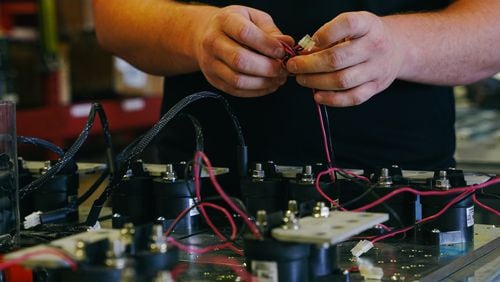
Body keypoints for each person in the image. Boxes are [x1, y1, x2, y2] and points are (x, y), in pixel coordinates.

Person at [92, 1, 500, 180]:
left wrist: (401, 46)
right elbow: (113, 16)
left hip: (407, 203)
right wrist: (195, 34)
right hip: (203, 200)